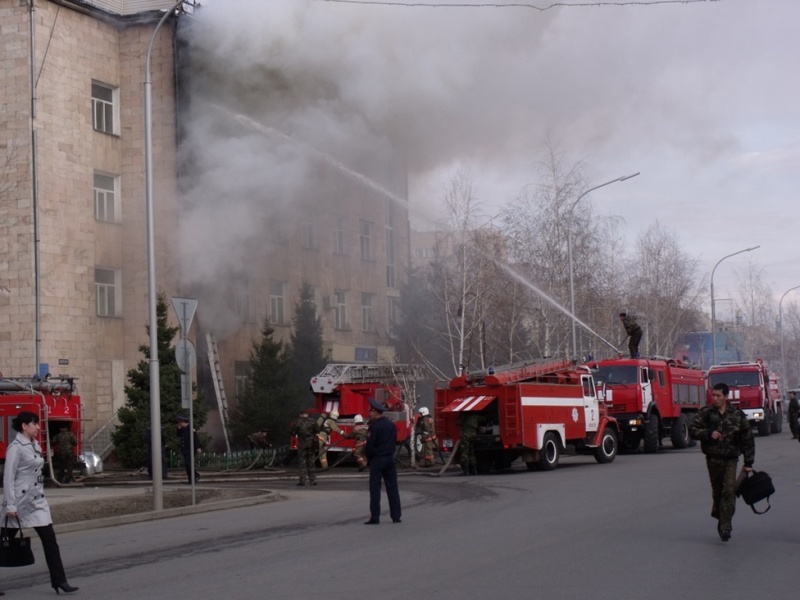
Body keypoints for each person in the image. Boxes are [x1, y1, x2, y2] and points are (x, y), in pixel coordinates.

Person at [1, 411, 79, 594]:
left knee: (50, 540)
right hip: (18, 503)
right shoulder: (15, 447)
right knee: (3, 542)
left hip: (37, 502)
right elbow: (8, 478)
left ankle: (59, 581)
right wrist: (10, 505)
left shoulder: (34, 444)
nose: (38, 427)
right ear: (24, 426)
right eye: (35, 424)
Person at [689, 382, 755, 542]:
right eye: (714, 395)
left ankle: (726, 526)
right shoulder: (706, 413)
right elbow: (692, 429)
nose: (715, 398)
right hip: (713, 460)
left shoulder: (737, 415)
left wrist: (748, 463)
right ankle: (720, 516)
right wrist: (707, 434)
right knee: (718, 493)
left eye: (719, 395)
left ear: (726, 396)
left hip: (731, 459)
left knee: (729, 491)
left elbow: (747, 439)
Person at [364, 398, 401, 524]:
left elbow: (369, 446)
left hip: (378, 460)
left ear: (375, 412)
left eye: (370, 411)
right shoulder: (391, 425)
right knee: (393, 488)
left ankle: (375, 517)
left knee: (375, 489)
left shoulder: (374, 427)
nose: (369, 414)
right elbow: (395, 441)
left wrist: (369, 458)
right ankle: (396, 516)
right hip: (390, 459)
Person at [290, 408, 319, 486]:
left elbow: (292, 433)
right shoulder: (313, 421)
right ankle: (312, 481)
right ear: (307, 414)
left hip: (302, 443)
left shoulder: (297, 422)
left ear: (300, 415)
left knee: (302, 462)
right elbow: (317, 430)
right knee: (311, 462)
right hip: (311, 443)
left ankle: (302, 481)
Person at [177, 415, 202, 484]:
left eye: (180, 422)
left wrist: (198, 447)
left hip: (190, 450)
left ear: (184, 422)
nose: (179, 424)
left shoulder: (191, 429)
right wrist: (178, 428)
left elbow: (195, 438)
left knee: (189, 464)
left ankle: (195, 476)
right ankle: (192, 479)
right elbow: (178, 435)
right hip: (185, 450)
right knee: (188, 465)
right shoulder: (182, 429)